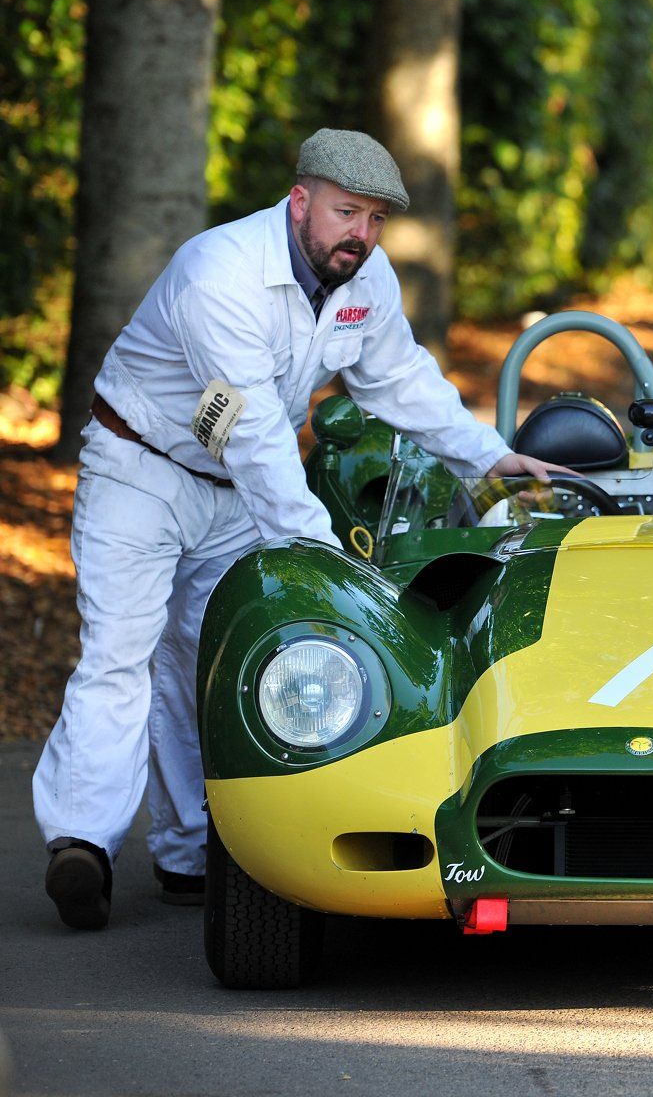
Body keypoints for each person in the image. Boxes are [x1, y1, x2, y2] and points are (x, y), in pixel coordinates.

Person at [36, 129, 569, 930]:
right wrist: (319, 552)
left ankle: (189, 853)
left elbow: (400, 379)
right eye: (346, 212)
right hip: (139, 470)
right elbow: (250, 429)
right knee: (121, 650)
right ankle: (81, 843)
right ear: (299, 202)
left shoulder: (366, 278)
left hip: (236, 492)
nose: (362, 233)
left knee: (208, 662)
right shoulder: (218, 272)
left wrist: (490, 456)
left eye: (376, 219)